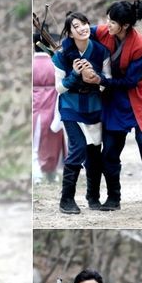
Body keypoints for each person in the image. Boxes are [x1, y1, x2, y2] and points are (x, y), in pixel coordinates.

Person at [88, 0, 142, 215]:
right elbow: (83, 32)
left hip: (136, 95)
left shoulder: (140, 47)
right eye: (107, 19)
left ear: (124, 25)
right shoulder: (104, 32)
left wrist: (101, 81)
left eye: (112, 22)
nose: (107, 24)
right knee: (110, 150)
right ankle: (113, 197)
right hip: (114, 98)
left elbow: (130, 81)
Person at [52, 12, 111, 214]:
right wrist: (75, 74)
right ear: (70, 33)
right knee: (77, 148)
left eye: (84, 23)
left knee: (94, 152)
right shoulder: (61, 55)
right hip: (70, 107)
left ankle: (93, 197)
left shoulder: (101, 51)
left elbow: (107, 82)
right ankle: (66, 200)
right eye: (76, 26)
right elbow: (59, 88)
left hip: (94, 107)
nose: (83, 28)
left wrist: (96, 77)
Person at [33, 33, 65, 183]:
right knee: (52, 141)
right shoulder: (55, 63)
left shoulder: (32, 64)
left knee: (35, 142)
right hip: (52, 107)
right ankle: (50, 171)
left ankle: (37, 173)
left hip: (35, 107)